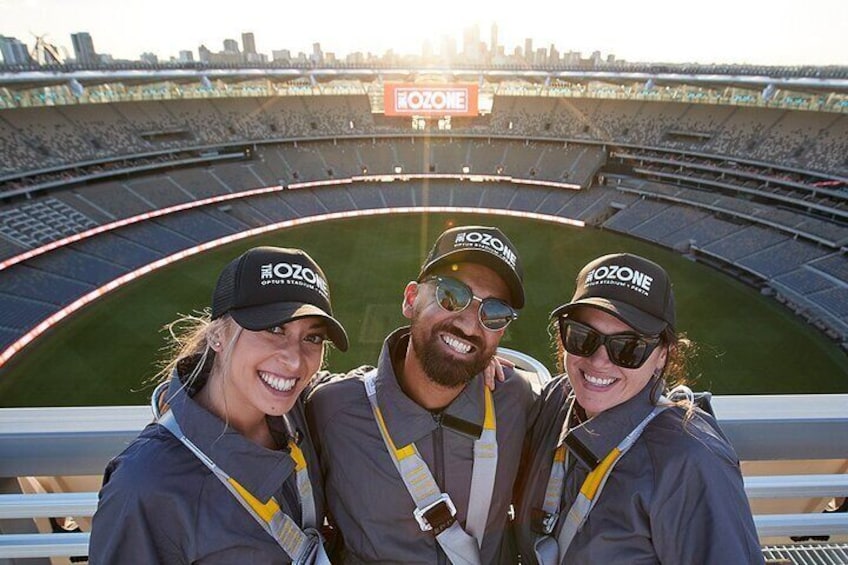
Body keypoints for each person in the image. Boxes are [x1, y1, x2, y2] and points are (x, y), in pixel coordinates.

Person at [89, 246, 349, 564]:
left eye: (312, 338)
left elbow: (368, 386)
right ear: (217, 336)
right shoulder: (144, 485)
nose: (295, 361)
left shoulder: (299, 410)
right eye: (274, 329)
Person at [307, 225, 540, 564]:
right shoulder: (332, 412)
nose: (469, 325)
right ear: (411, 299)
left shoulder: (517, 400)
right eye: (452, 296)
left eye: (493, 313)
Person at [513, 252, 764, 564]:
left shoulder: (691, 461)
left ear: (662, 355)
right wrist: (477, 366)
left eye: (628, 348)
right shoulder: (555, 401)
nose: (598, 361)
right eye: (582, 337)